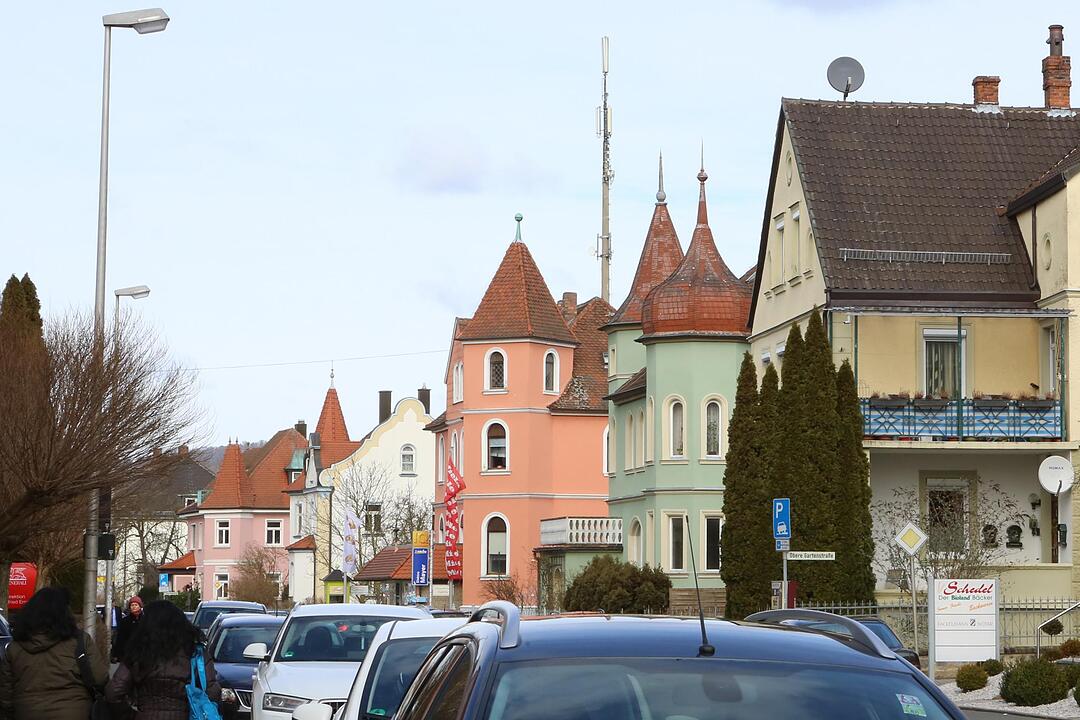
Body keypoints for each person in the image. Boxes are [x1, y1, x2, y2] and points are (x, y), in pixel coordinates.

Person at [0, 586, 108, 720]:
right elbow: (100, 678)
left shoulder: (14, 648)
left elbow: (5, 692)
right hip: (74, 712)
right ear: (65, 614)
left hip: (27, 712)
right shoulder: (79, 641)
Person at [107, 600, 221, 720]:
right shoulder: (194, 652)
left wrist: (130, 715)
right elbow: (213, 691)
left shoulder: (137, 652)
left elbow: (114, 691)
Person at [111, 596, 143, 663]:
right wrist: (116, 654)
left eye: (136, 605)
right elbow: (120, 638)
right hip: (128, 654)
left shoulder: (145, 619)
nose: (134, 607)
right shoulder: (125, 621)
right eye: (132, 605)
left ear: (140, 606)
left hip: (142, 653)